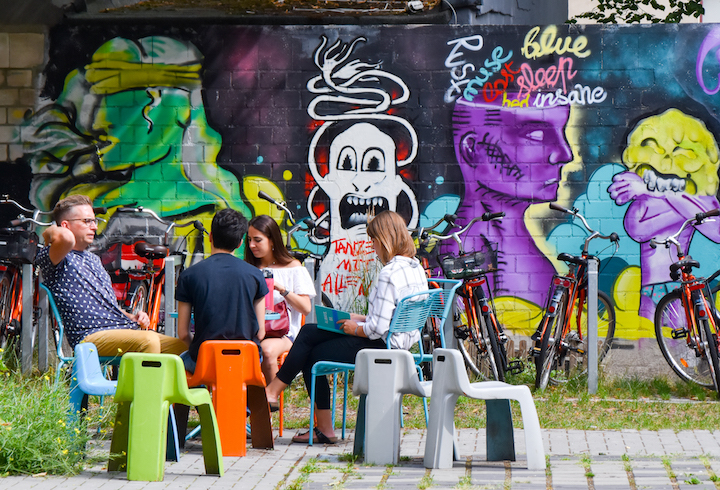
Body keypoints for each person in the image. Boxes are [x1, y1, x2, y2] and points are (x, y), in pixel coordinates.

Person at [264, 210, 428, 444]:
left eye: (373, 242)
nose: (373, 248)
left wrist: (356, 328)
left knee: (313, 353)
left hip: (381, 346)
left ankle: (286, 400)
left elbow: (376, 329)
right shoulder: (415, 268)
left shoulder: (389, 273)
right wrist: (358, 317)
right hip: (397, 343)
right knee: (310, 331)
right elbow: (390, 317)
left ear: (384, 240)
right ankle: (278, 394)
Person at [37, 194, 187, 356]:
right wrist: (50, 230)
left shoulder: (93, 259)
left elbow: (109, 307)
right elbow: (66, 238)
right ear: (65, 226)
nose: (94, 227)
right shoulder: (55, 258)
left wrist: (133, 316)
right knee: (148, 341)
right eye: (87, 221)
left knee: (183, 348)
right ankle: (138, 382)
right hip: (90, 336)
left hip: (120, 328)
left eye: (95, 221)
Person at [176, 209, 268, 373]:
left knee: (183, 361)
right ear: (240, 243)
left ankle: (201, 398)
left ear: (210, 236)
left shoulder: (189, 275)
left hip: (206, 362)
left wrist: (200, 350)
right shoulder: (255, 275)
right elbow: (260, 333)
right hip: (246, 361)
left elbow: (183, 333)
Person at [244, 215, 315, 384]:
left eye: (257, 240)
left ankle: (271, 401)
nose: (252, 245)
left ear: (272, 241)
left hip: (284, 333)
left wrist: (281, 288)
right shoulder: (248, 269)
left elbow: (306, 308)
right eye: (249, 240)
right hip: (251, 331)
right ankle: (245, 403)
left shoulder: (293, 267)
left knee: (266, 351)